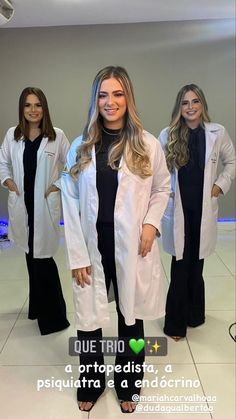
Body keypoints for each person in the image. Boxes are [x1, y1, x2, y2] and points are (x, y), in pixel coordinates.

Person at [61, 66, 170, 413]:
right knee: (89, 320)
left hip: (132, 244)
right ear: (95, 100)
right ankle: (91, 383)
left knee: (131, 320)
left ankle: (129, 382)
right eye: (103, 95)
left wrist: (151, 225)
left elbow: (162, 188)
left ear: (129, 98)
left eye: (118, 94)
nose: (111, 102)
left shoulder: (147, 144)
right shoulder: (80, 147)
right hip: (93, 245)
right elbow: (69, 200)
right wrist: (77, 255)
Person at [158, 84, 235, 341]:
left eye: (195, 102)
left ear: (202, 105)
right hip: (177, 210)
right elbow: (156, 169)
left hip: (202, 210)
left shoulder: (217, 133)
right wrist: (165, 191)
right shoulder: (167, 135)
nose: (190, 107)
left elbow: (231, 162)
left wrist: (219, 186)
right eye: (185, 103)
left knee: (196, 264)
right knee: (180, 265)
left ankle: (195, 315)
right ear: (178, 108)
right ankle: (175, 325)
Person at [0, 87, 70, 335]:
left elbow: (73, 167)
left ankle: (55, 318)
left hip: (44, 207)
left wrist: (57, 184)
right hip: (22, 205)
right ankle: (38, 308)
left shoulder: (57, 136)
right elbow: (2, 161)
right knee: (31, 256)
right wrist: (7, 180)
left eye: (38, 105)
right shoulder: (13, 134)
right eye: (28, 105)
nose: (33, 110)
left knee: (43, 259)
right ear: (22, 108)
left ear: (45, 108)